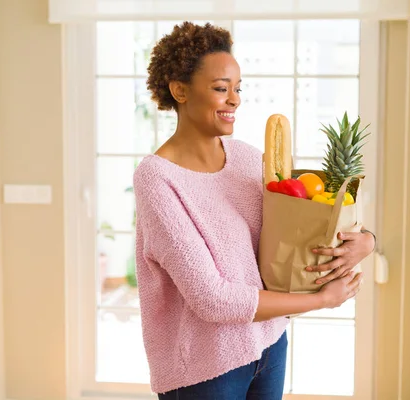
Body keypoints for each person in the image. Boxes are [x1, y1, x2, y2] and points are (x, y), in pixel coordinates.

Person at [133, 21, 376, 399]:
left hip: (269, 344)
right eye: (220, 88)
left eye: (237, 88)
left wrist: (364, 241)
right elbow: (211, 298)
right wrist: (321, 300)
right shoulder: (158, 179)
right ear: (179, 90)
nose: (235, 100)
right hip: (205, 367)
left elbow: (296, 232)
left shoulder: (249, 160)